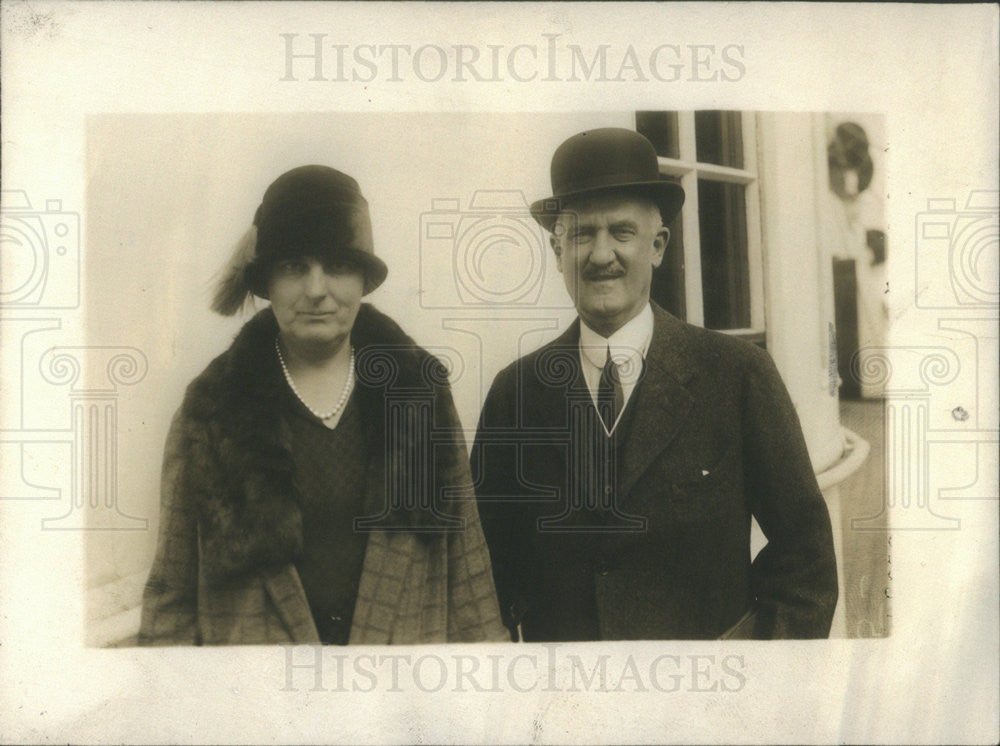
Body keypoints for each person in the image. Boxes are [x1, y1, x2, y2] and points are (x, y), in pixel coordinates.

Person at [471, 128, 838, 641]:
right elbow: (484, 571)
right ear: (557, 252)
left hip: (704, 705)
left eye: (621, 232)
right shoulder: (516, 394)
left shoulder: (737, 375)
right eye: (580, 235)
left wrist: (756, 681)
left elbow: (806, 561)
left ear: (658, 245)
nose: (601, 256)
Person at [139, 165, 506, 645]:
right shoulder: (211, 412)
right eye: (294, 266)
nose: (317, 290)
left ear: (362, 280)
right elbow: (171, 599)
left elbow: (469, 574)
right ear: (267, 280)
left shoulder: (419, 394)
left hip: (399, 702)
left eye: (337, 265)